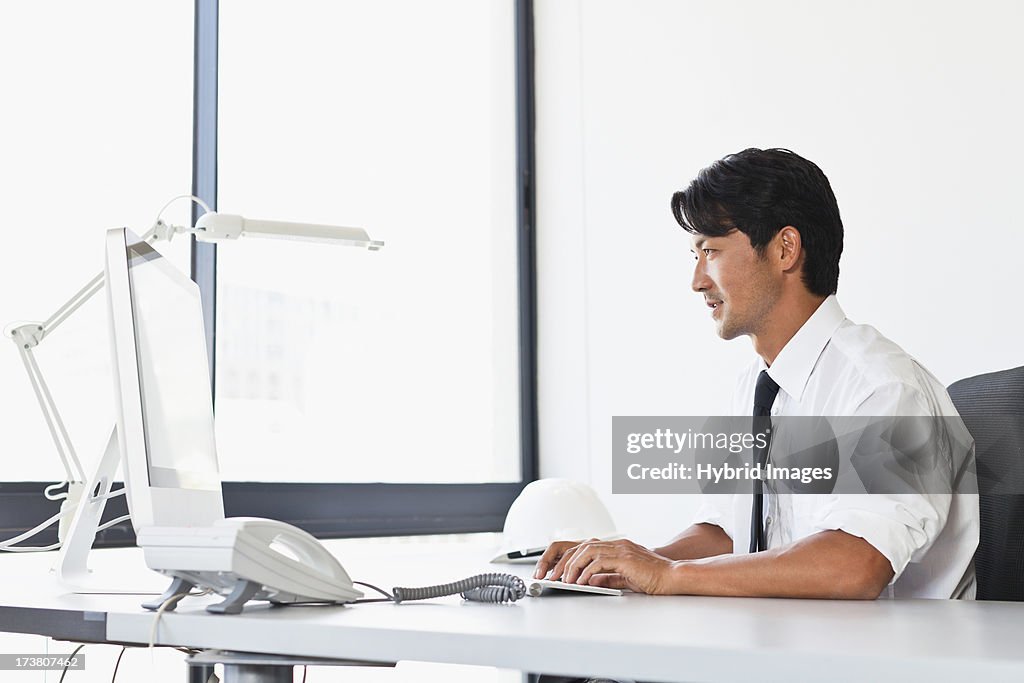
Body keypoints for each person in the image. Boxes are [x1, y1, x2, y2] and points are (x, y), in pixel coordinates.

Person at [534, 148, 978, 602]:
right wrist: (627, 566)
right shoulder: (755, 386)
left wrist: (669, 574)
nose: (697, 280)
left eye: (711, 251)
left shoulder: (882, 389)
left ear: (785, 249)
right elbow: (727, 534)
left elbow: (855, 565)